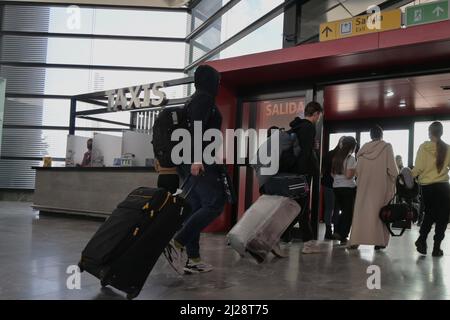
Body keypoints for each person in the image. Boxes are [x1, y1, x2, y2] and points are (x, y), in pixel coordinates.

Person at [164, 65, 226, 274]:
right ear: (209, 80)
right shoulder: (204, 98)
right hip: (197, 160)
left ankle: (193, 258)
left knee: (195, 206)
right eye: (217, 80)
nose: (219, 84)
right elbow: (197, 129)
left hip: (187, 159)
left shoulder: (193, 99)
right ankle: (177, 243)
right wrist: (198, 159)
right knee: (215, 203)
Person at [281, 101, 323, 254]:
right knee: (301, 207)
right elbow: (305, 153)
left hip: (296, 172)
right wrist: (306, 172)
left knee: (300, 207)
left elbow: (302, 148)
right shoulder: (309, 127)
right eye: (319, 116)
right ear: (316, 113)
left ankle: (294, 238)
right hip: (303, 173)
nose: (319, 118)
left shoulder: (297, 126)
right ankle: (305, 242)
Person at [348, 126, 398, 250]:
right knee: (380, 214)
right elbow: (393, 170)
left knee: (362, 213)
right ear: (381, 135)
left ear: (371, 136)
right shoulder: (387, 147)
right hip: (381, 188)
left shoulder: (363, 151)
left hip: (364, 187)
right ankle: (379, 242)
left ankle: (357, 240)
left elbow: (357, 171)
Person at [412, 122, 450, 257]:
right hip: (444, 187)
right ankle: (436, 248)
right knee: (443, 218)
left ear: (429, 132)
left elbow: (419, 168)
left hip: (427, 187)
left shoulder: (423, 147)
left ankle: (422, 240)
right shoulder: (447, 148)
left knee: (429, 214)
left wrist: (409, 177)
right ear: (441, 133)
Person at [330, 136, 357, 245]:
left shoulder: (336, 157)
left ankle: (337, 231)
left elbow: (332, 174)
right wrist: (355, 171)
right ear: (352, 146)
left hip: (336, 187)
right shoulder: (350, 158)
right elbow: (349, 175)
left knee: (342, 211)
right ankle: (343, 235)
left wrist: (338, 178)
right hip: (348, 188)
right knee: (348, 213)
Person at [321, 137, 344, 240]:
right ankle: (332, 231)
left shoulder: (331, 154)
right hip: (335, 184)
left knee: (332, 208)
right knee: (334, 208)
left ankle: (330, 231)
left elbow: (323, 169)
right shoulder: (341, 156)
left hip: (330, 184)